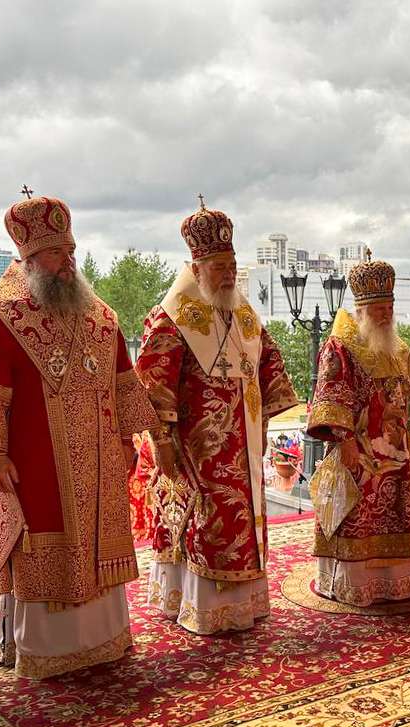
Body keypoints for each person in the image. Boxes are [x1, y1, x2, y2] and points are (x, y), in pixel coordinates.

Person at [0, 194, 157, 678]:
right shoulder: (3, 316)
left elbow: (122, 378)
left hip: (103, 455)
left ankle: (106, 638)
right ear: (28, 259)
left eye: (70, 250)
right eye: (55, 253)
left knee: (99, 542)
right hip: (35, 459)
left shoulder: (100, 314)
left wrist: (130, 441)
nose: (67, 261)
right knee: (42, 541)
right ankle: (44, 651)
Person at [135, 200, 297, 633]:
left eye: (232, 265)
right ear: (197, 266)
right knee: (205, 520)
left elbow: (270, 361)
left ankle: (244, 604)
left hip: (243, 440)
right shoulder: (169, 317)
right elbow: (152, 381)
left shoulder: (243, 314)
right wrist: (162, 441)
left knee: (241, 517)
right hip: (195, 444)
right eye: (219, 266)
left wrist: (267, 412)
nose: (228, 274)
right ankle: (201, 607)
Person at [307, 254, 410, 605]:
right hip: (358, 452)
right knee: (358, 516)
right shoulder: (340, 346)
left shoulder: (400, 349)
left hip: (397, 454)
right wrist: (344, 443)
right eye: (378, 309)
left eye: (389, 306)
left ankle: (393, 584)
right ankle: (353, 584)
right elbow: (330, 395)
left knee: (394, 514)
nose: (385, 314)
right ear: (360, 310)